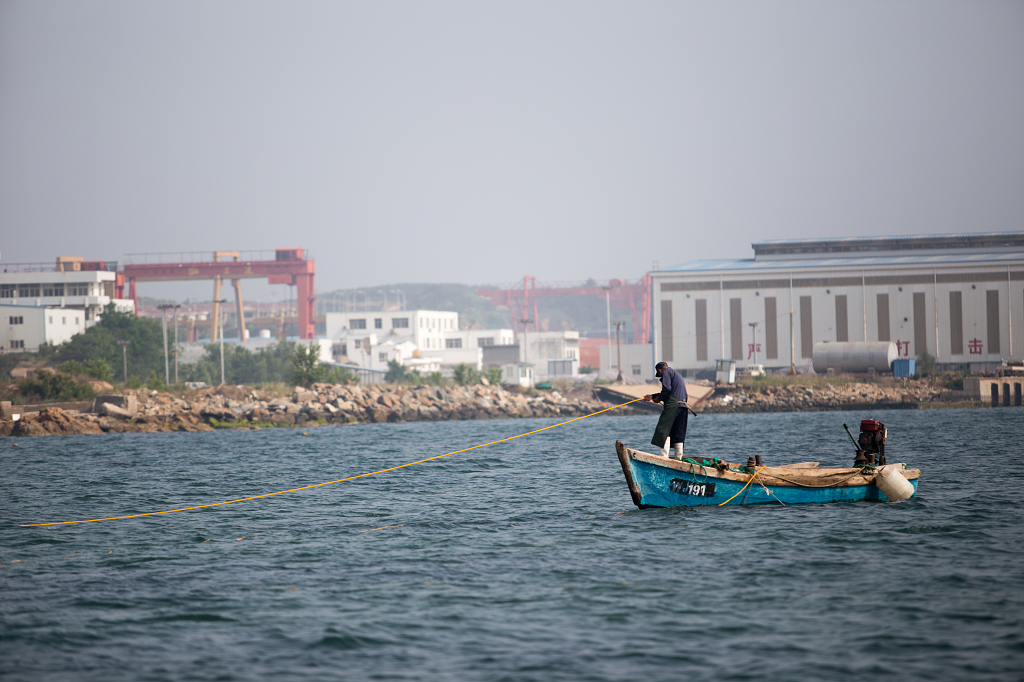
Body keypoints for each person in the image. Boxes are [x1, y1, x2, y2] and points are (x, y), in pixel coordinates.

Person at [643, 361, 689, 460]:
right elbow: (670, 391)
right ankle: (678, 459)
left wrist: (659, 398)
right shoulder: (676, 374)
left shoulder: (666, 373)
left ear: (659, 370)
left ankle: (663, 458)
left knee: (664, 430)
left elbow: (667, 389)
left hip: (673, 407)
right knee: (678, 433)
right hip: (683, 407)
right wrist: (652, 396)